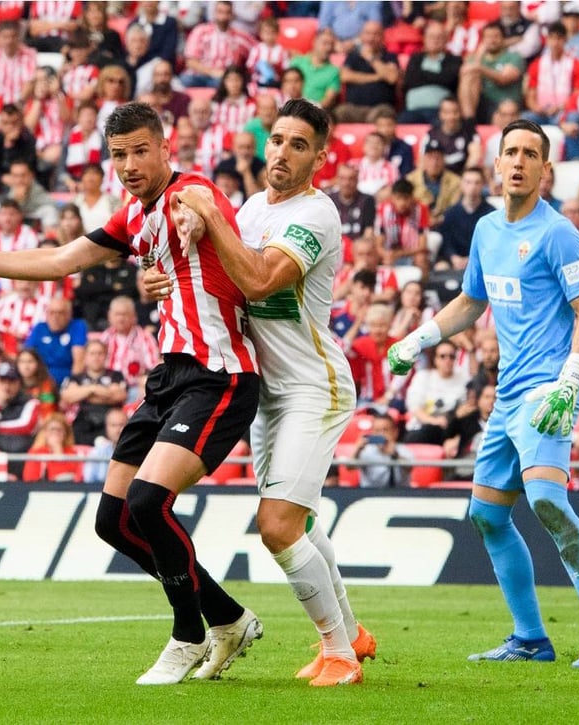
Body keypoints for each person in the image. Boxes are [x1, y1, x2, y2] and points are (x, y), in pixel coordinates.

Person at [0, 101, 263, 686]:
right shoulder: (132, 215)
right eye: (118, 154)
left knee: (149, 503)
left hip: (220, 375)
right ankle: (228, 616)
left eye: (140, 152)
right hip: (169, 378)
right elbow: (59, 259)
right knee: (113, 519)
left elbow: (199, 213)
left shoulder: (190, 192)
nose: (128, 164)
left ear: (165, 147)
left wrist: (193, 222)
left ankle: (188, 634)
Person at [145, 98, 376, 686]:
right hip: (264, 392)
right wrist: (162, 273)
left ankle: (340, 655)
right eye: (277, 140)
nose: (281, 153)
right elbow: (216, 272)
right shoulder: (248, 208)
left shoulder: (316, 216)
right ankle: (351, 633)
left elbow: (258, 278)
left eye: (299, 145)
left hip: (312, 386)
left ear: (320, 159)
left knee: (276, 525)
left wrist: (208, 213)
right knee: (296, 519)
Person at [387, 119, 579, 667]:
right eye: (510, 152)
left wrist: (571, 380)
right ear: (496, 164)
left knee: (546, 500)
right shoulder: (487, 232)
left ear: (546, 170)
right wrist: (418, 337)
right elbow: (472, 302)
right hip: (506, 395)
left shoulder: (558, 233)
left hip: (548, 392)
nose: (518, 162)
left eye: (530, 154)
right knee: (487, 516)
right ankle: (530, 637)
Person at [61, 339, 127, 444]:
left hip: (108, 419)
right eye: (92, 353)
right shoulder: (75, 377)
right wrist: (94, 389)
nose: (96, 357)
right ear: (85, 357)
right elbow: (68, 397)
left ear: (106, 356)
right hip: (82, 420)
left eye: (100, 353)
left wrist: (84, 394)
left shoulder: (116, 375)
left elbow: (117, 396)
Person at [354, 411, 411, 488]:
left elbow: (410, 468)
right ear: (372, 432)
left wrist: (395, 454)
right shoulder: (366, 450)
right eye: (377, 431)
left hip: (399, 495)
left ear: (395, 432)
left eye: (385, 430)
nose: (381, 434)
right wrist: (357, 450)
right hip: (370, 494)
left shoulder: (402, 450)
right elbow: (349, 467)